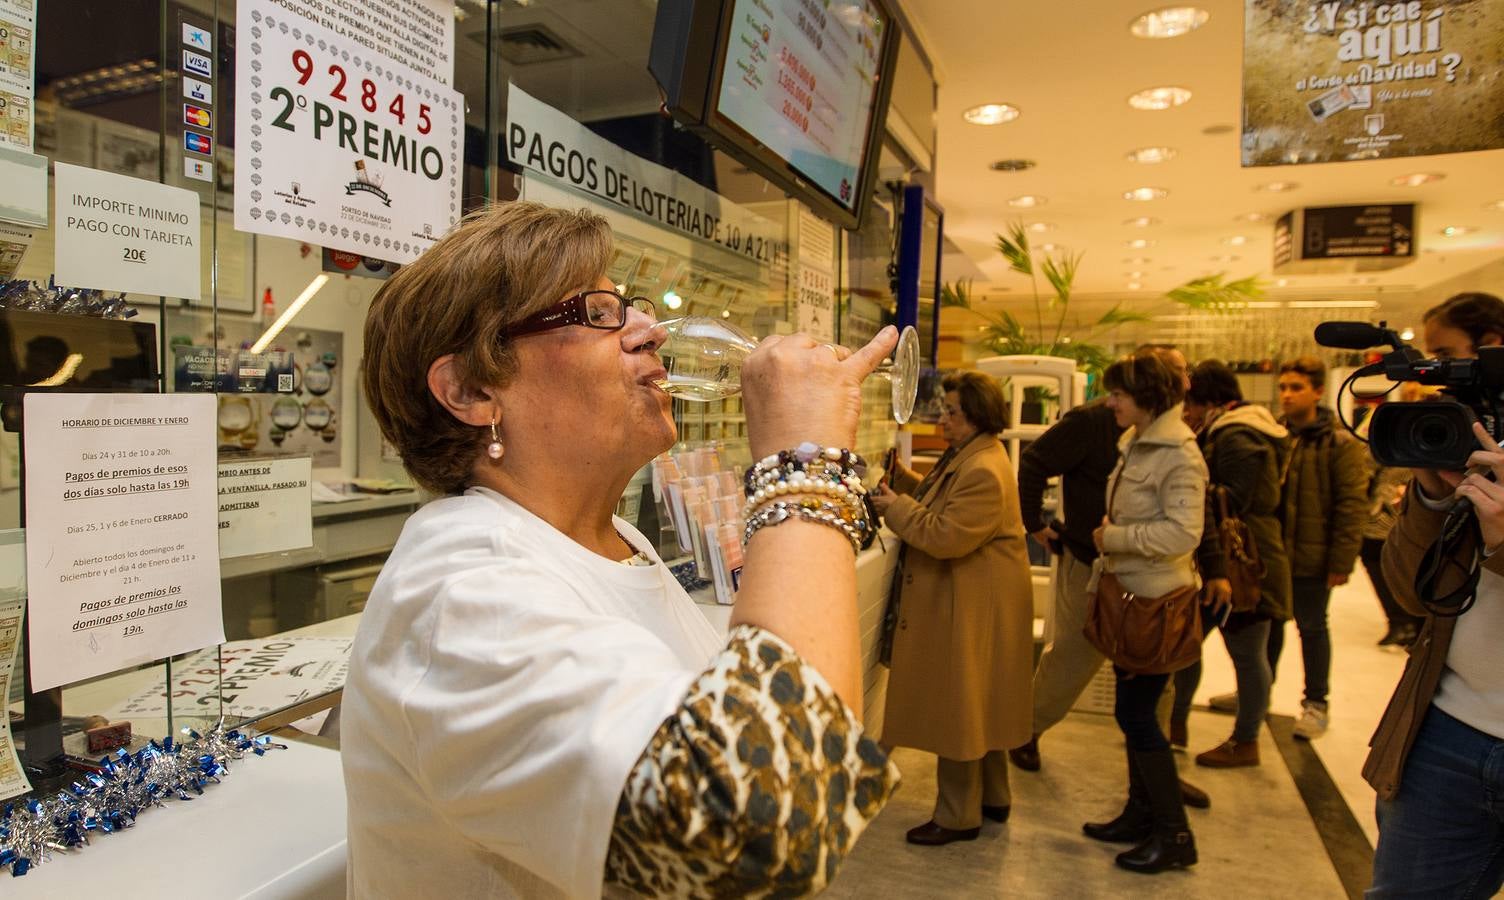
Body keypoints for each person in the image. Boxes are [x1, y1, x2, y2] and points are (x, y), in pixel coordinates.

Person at [342, 202, 901, 898]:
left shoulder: (617, 541)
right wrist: (804, 467)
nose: (650, 330)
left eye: (628, 305)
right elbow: (764, 823)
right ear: (471, 390)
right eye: (597, 312)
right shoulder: (462, 594)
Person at [1010, 345, 1212, 810]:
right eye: (1174, 373)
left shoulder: (1171, 445)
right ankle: (1027, 732)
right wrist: (1035, 524)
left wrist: (1117, 537)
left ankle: (1154, 787)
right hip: (1095, 570)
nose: (1183, 382)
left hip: (1150, 590)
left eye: (1183, 373)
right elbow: (1036, 462)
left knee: (1148, 698)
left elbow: (1188, 526)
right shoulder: (1110, 429)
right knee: (1073, 663)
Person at [1367, 291, 1504, 898]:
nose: (1437, 377)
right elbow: (1411, 596)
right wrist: (1428, 493)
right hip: (1446, 727)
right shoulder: (1462, 448)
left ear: (1494, 349)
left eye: (1447, 357)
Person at [869, 371, 1035, 846]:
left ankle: (959, 815)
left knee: (961, 708)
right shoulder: (978, 454)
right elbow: (949, 501)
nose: (942, 419)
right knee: (986, 705)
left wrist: (896, 507)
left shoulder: (983, 467)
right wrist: (905, 483)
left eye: (951, 412)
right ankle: (994, 797)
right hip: (981, 602)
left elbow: (945, 535)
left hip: (972, 605)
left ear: (978, 415)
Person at [1082, 351, 1206, 873]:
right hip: (1129, 597)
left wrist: (1116, 537)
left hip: (1156, 604)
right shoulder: (1137, 443)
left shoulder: (1179, 454)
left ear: (1148, 398)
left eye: (1119, 394)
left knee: (1137, 715)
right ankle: (1140, 813)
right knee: (1130, 713)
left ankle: (1174, 834)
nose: (1110, 401)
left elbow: (1184, 532)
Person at [1212, 355, 1366, 739]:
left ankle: (1316, 703)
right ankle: (1257, 695)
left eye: (1296, 387)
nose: (1287, 395)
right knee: (1270, 626)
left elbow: (1351, 503)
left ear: (1318, 391)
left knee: (1312, 628)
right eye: (1283, 387)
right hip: (1272, 553)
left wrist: (1342, 559)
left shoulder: (1339, 443)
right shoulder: (1276, 434)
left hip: (1314, 554)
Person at [1171, 360, 1290, 768]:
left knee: (1246, 651)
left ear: (1208, 400)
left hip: (1243, 562)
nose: (1186, 412)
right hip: (1225, 558)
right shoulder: (1235, 430)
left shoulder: (1238, 435)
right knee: (1187, 645)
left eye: (1190, 403)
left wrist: (1188, 487)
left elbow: (1235, 498)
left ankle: (1246, 740)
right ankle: (1174, 724)